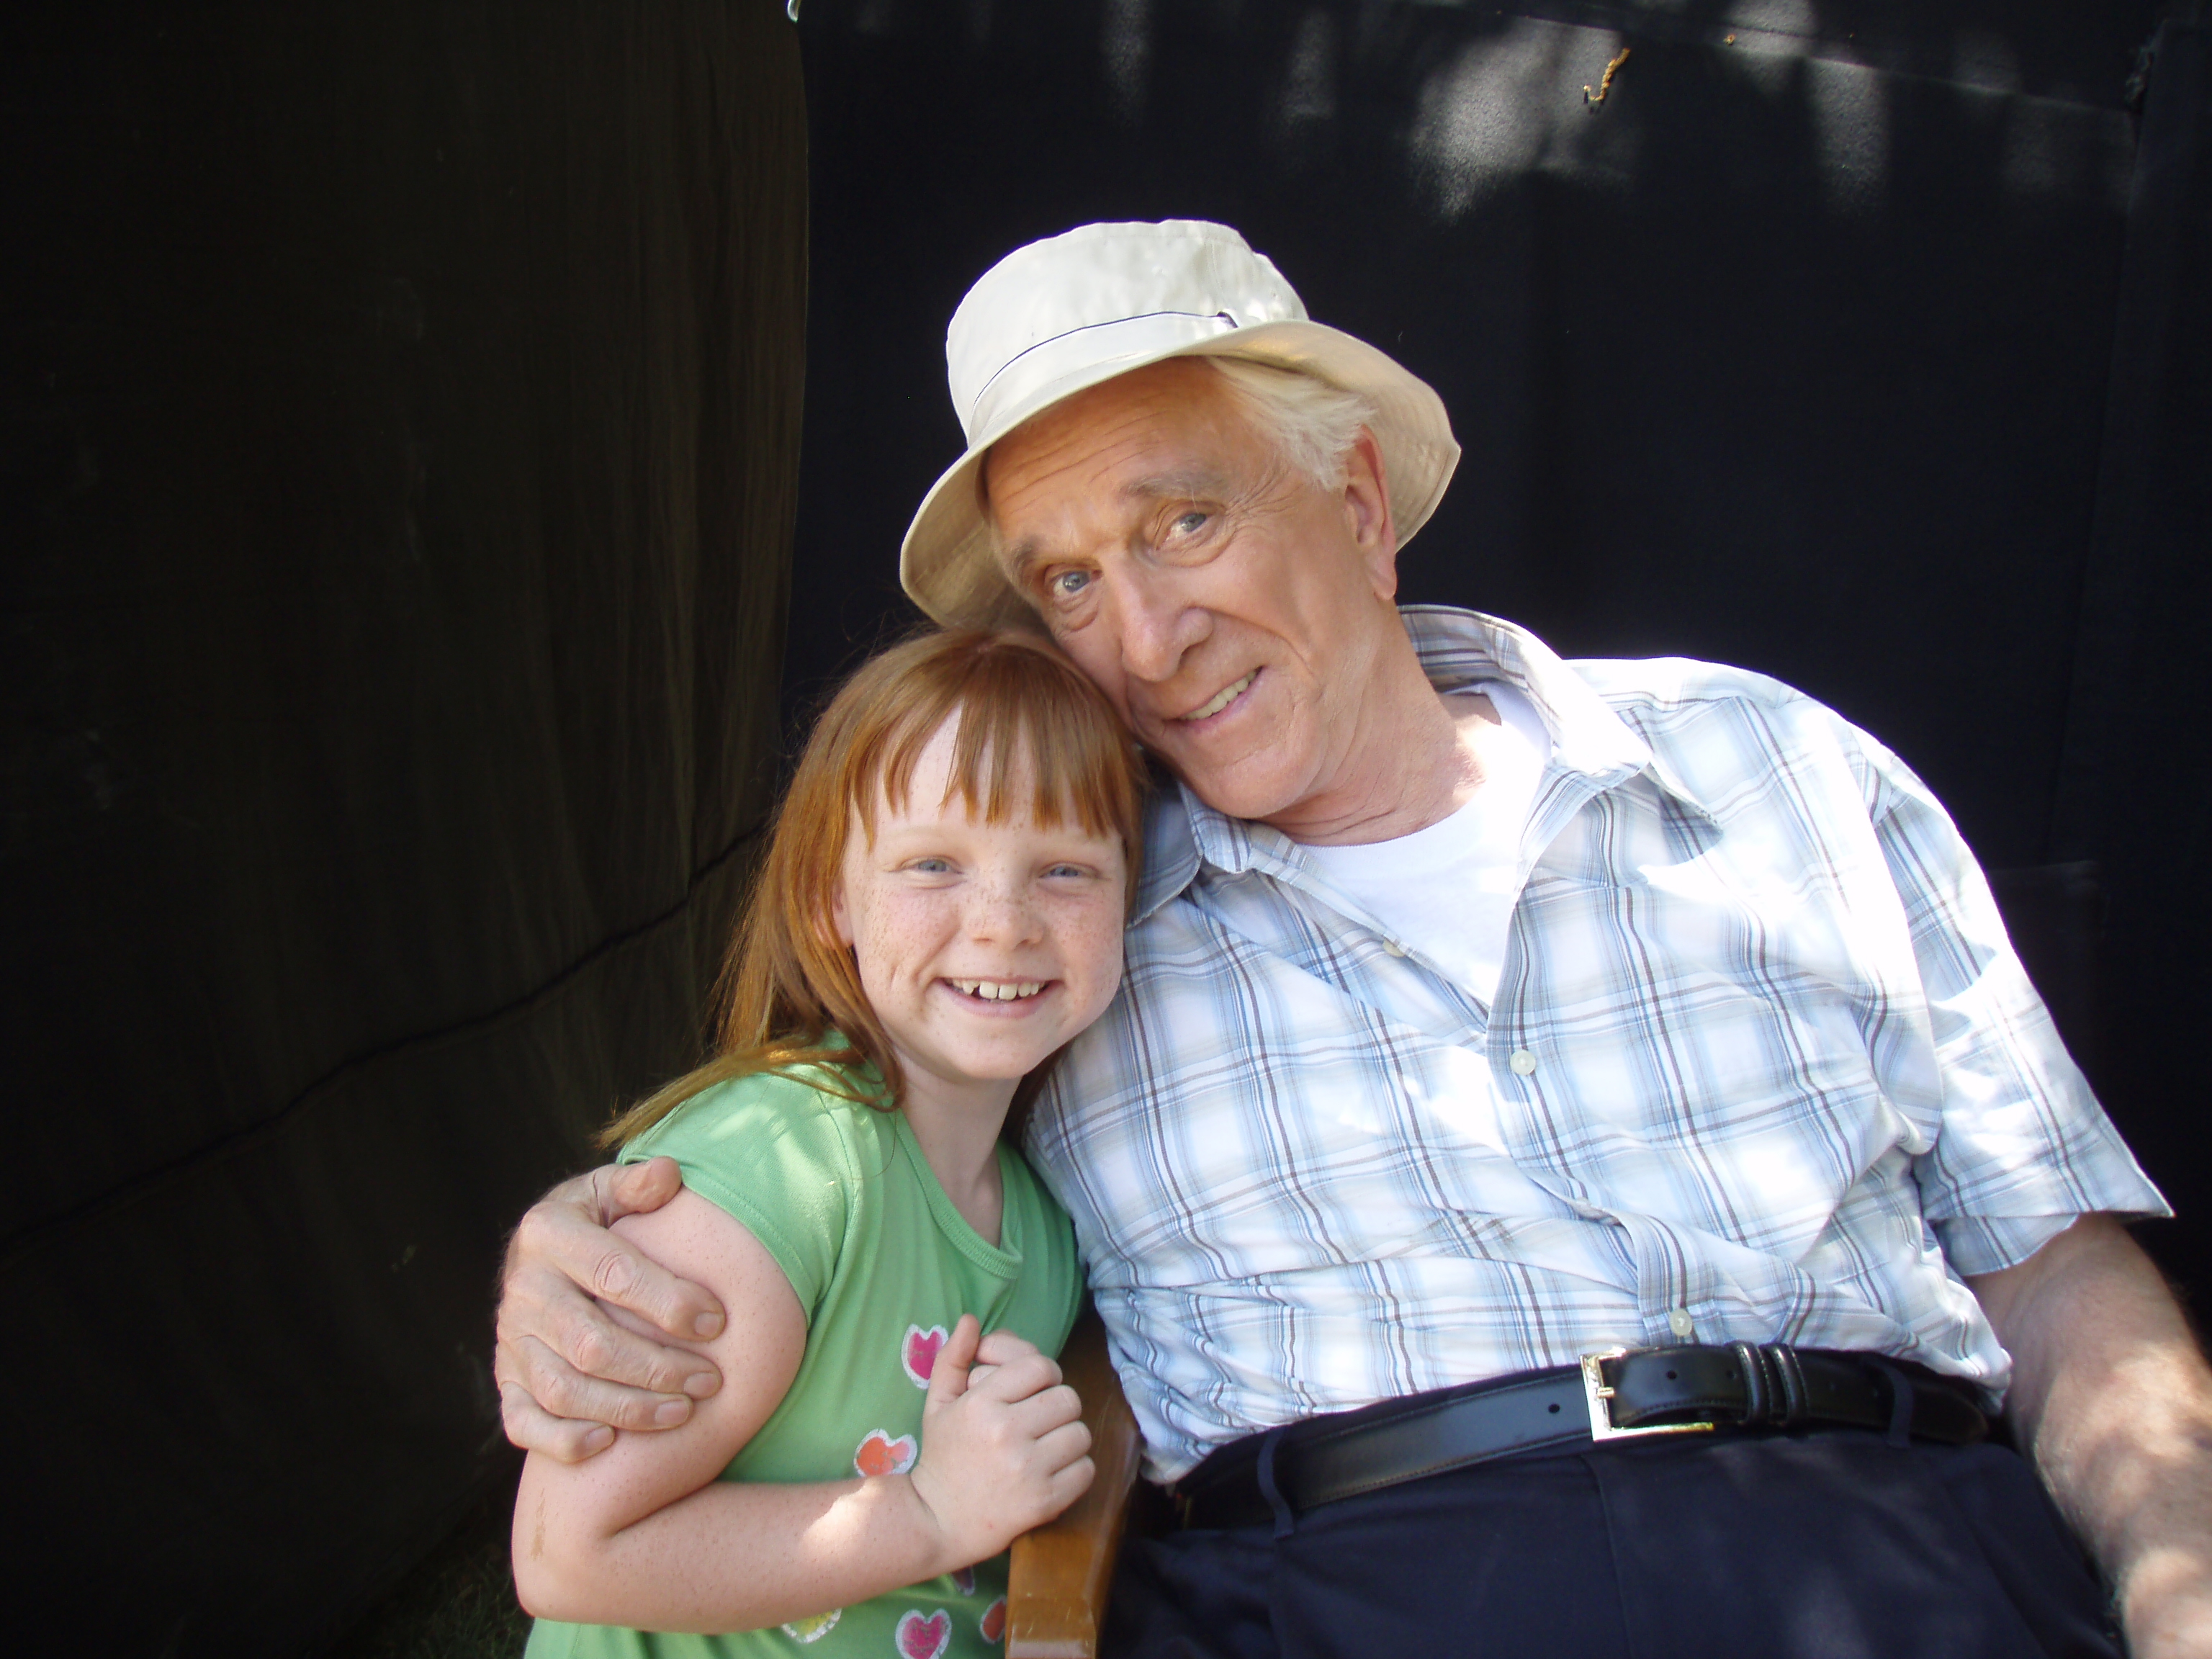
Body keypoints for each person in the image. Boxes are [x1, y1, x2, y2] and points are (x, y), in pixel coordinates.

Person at [495, 222, 2212, 1657]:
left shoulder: (1766, 765)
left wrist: (2181, 1590)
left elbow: (2054, 1269)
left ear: (1362, 510)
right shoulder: (1068, 916)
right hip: (1354, 1588)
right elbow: (833, 1142)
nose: (1148, 636)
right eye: (1070, 582)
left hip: (1882, 1557)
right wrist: (581, 1251)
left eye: (1184, 521)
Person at [510, 627, 1148, 1658]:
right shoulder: (789, 1169)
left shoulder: (1041, 1214)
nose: (1004, 922)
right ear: (828, 898)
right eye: (933, 864)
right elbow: (569, 1554)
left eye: (1066, 870)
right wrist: (931, 1513)